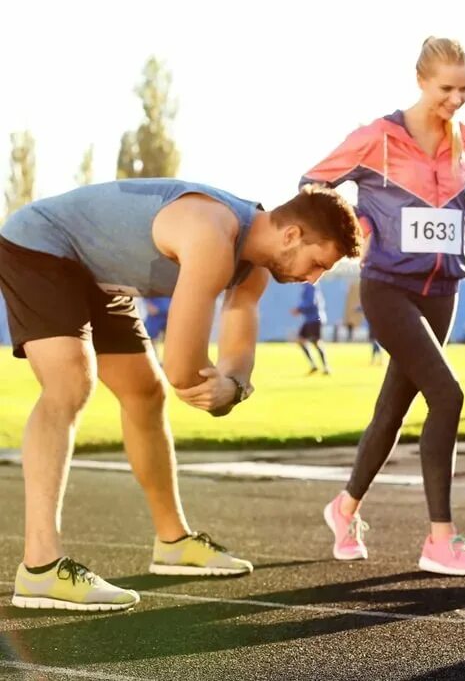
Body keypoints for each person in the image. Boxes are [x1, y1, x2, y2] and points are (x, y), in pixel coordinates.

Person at [0, 180, 362, 611]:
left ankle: (173, 542)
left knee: (145, 394)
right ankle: (40, 569)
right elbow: (183, 370)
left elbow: (237, 355)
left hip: (99, 273)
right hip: (41, 243)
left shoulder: (257, 266)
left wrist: (233, 385)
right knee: (70, 383)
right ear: (291, 235)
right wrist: (222, 387)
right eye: (317, 263)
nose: (313, 277)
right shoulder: (213, 236)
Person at [302, 37, 465, 576]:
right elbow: (313, 184)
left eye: (464, 89)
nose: (456, 99)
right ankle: (441, 539)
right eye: (446, 88)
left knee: (392, 410)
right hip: (388, 286)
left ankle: (344, 508)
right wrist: (360, 228)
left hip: (444, 291)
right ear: (421, 81)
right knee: (448, 395)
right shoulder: (379, 137)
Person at [292, 282, 330, 375]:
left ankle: (326, 367)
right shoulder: (308, 285)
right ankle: (314, 365)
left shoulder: (310, 286)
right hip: (310, 319)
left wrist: (299, 309)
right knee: (301, 340)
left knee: (316, 342)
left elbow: (311, 302)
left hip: (315, 318)